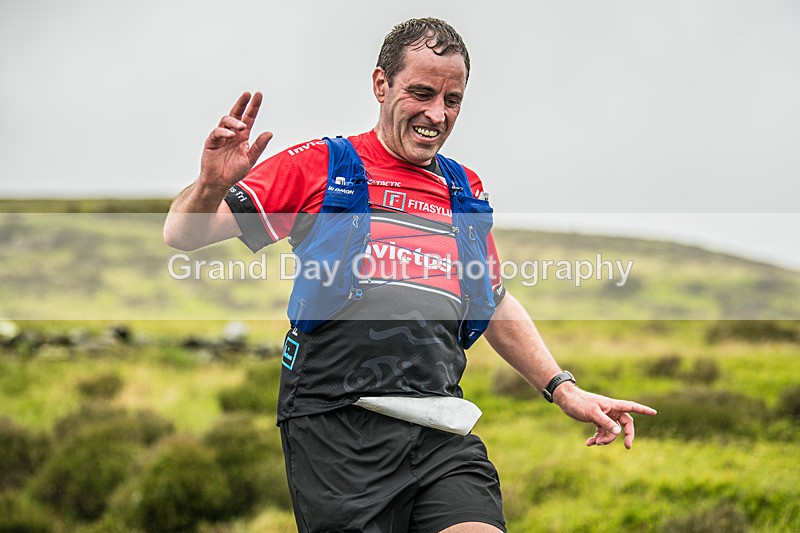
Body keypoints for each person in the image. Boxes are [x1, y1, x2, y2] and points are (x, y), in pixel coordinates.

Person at [164, 17, 656, 533]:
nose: (436, 115)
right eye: (421, 93)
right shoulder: (321, 166)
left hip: (441, 429)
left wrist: (564, 388)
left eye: (453, 100)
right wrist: (209, 184)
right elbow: (184, 234)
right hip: (337, 429)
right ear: (381, 84)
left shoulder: (465, 188)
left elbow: (490, 300)